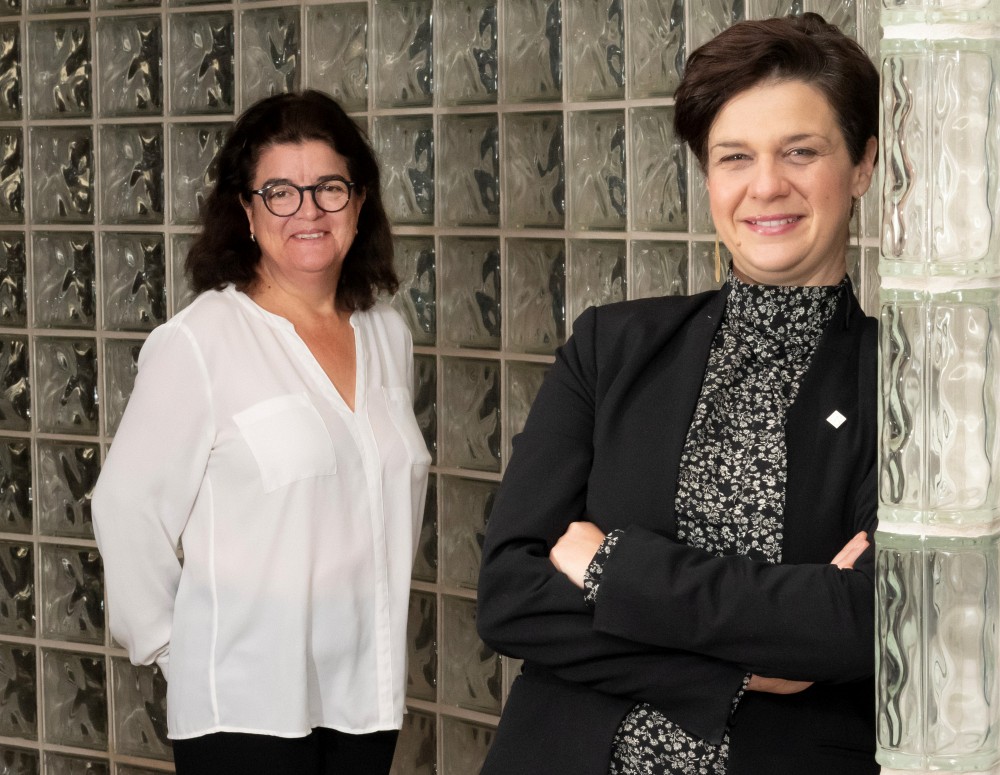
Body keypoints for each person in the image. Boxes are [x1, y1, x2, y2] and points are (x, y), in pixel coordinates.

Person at [476, 13, 880, 775]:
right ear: (707, 175)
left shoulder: (900, 381)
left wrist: (614, 567)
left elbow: (859, 623)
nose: (767, 185)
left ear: (861, 165)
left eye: (801, 151)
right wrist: (736, 667)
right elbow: (509, 593)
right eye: (735, 157)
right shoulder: (611, 348)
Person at [92, 90, 431, 775]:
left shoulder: (387, 334)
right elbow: (124, 507)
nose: (307, 210)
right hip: (247, 709)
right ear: (245, 212)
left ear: (359, 203)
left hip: (365, 697)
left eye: (329, 187)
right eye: (279, 191)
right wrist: (177, 649)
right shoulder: (201, 341)